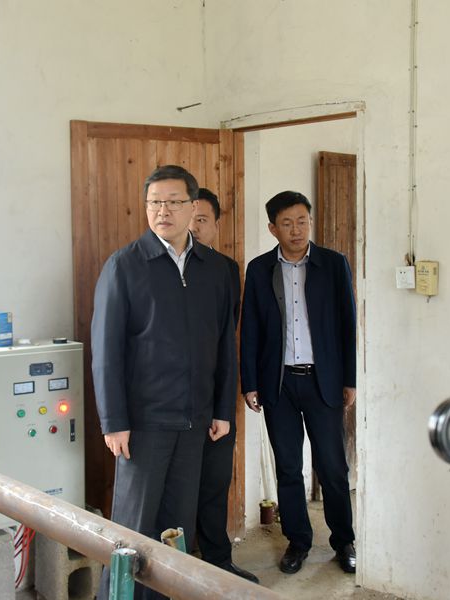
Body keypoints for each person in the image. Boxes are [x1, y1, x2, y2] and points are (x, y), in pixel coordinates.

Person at [91, 165, 237, 599]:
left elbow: (224, 345)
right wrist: (114, 421)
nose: (163, 211)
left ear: (193, 207)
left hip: (194, 422)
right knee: (132, 532)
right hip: (143, 424)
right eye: (155, 202)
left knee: (176, 529)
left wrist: (222, 410)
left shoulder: (215, 269)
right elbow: (106, 351)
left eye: (174, 202)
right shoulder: (125, 266)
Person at [240, 190, 357, 575]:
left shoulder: (333, 264)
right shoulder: (259, 269)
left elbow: (348, 324)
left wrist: (350, 379)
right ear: (273, 228)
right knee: (288, 468)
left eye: (302, 221)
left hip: (324, 381)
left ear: (310, 222)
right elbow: (250, 329)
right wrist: (250, 382)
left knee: (333, 467)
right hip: (279, 385)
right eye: (287, 223)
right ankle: (298, 541)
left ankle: (344, 541)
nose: (296, 230)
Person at [188, 188, 258, 584]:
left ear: (216, 225)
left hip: (215, 394)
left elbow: (227, 334)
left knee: (215, 482)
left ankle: (218, 560)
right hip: (173, 402)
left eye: (202, 220)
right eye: (189, 218)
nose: (194, 227)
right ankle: (179, 567)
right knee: (178, 490)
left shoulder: (228, 269)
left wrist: (225, 403)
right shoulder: (159, 267)